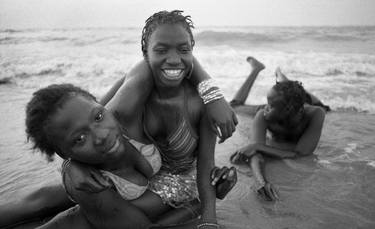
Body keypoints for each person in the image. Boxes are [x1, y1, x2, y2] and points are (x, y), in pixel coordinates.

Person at [0, 10, 237, 229]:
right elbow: (90, 118)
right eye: (161, 50)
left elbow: (206, 164)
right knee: (51, 196)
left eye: (184, 50)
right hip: (121, 171)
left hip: (164, 183)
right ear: (145, 54)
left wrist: (209, 221)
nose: (173, 59)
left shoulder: (200, 103)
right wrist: (72, 164)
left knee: (81, 209)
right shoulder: (134, 93)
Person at [229, 56, 327, 201]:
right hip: (290, 105)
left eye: (270, 104)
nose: (265, 107)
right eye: (267, 103)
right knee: (234, 107)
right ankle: (258, 69)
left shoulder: (315, 114)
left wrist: (257, 146)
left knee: (315, 102)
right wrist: (262, 182)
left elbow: (301, 153)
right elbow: (256, 155)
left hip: (303, 104)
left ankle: (281, 76)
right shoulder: (263, 113)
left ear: (288, 110)